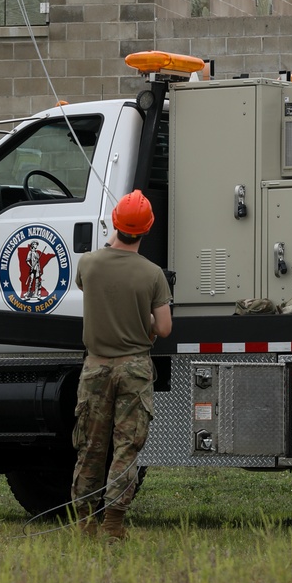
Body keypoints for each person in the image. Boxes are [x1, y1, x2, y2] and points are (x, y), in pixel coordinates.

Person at [71, 189, 172, 540]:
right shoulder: (152, 274)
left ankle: (85, 522)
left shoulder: (89, 263)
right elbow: (163, 327)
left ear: (115, 224)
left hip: (95, 368)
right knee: (126, 447)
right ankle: (113, 523)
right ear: (147, 230)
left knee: (91, 446)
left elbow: (88, 285)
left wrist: (111, 239)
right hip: (134, 369)